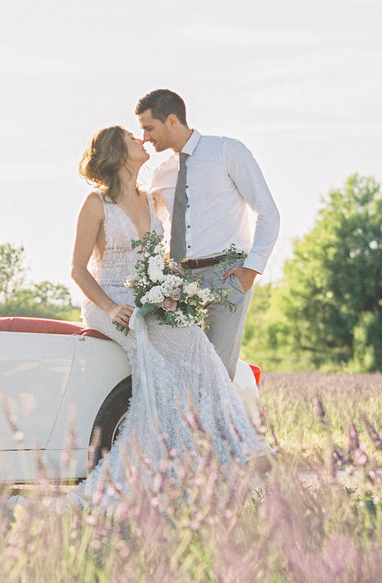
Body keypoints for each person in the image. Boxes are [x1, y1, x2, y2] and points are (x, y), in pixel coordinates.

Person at [69, 126, 268, 503]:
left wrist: (172, 291)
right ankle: (157, 465)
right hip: (107, 299)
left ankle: (234, 451)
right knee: (153, 345)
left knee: (197, 346)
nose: (142, 140)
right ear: (115, 151)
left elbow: (175, 243)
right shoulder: (96, 204)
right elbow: (78, 269)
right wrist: (111, 308)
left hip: (148, 297)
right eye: (132, 137)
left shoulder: (150, 199)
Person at [136, 89, 279, 379]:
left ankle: (215, 425)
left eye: (149, 128)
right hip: (176, 285)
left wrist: (251, 270)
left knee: (216, 373)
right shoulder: (160, 173)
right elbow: (154, 229)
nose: (145, 138)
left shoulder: (227, 151)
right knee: (179, 372)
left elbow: (267, 212)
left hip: (226, 277)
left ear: (172, 120)